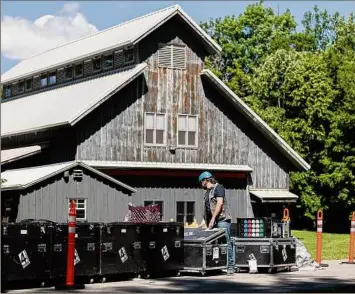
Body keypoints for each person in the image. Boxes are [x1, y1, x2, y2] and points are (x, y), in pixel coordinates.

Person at [198, 171, 235, 275]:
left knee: (226, 242)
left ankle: (230, 266)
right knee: (215, 244)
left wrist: (213, 219)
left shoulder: (218, 187)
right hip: (213, 222)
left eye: (201, 182)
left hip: (222, 220)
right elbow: (208, 210)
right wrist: (203, 222)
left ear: (206, 180)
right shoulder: (207, 193)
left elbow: (219, 203)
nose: (201, 184)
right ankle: (217, 265)